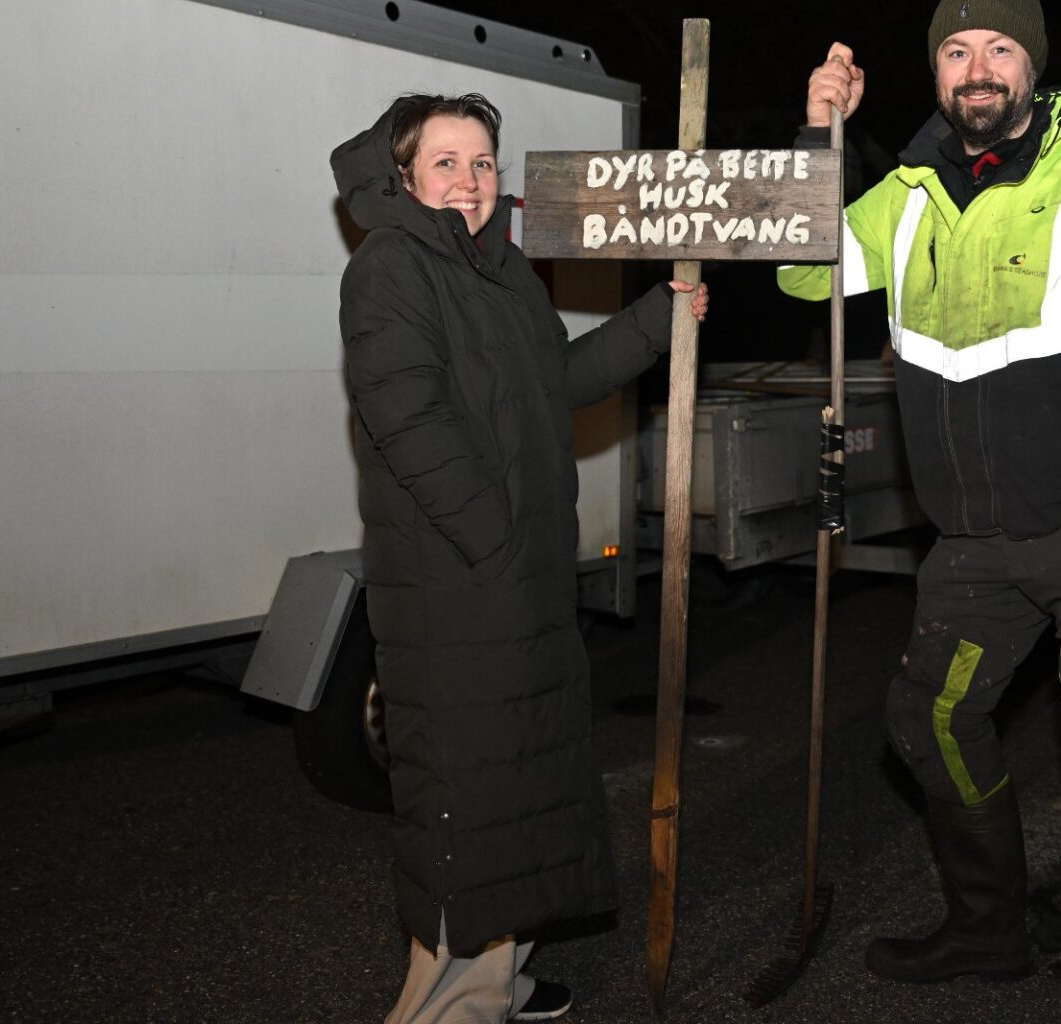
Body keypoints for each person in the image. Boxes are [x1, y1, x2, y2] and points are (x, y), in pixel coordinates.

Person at [779, 4, 1061, 1021]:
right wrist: (822, 136)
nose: (977, 68)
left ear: (1032, 64)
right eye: (955, 50)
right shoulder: (912, 189)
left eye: (999, 48)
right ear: (935, 71)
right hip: (974, 542)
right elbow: (807, 270)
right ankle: (993, 933)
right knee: (926, 721)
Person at [330, 93, 707, 1024]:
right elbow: (407, 418)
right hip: (460, 585)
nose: (470, 181)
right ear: (405, 175)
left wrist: (661, 317)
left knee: (526, 782)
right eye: (448, 162)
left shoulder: (500, 272)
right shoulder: (391, 268)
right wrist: (496, 546)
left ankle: (506, 975)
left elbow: (559, 380)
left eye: (484, 163)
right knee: (473, 800)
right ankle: (452, 1007)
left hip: (516, 573)